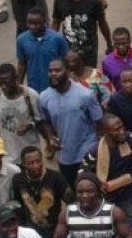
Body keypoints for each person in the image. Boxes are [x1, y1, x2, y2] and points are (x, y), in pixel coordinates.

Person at [38, 56, 103, 185]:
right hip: (65, 156)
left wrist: (99, 150)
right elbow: (45, 121)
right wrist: (50, 137)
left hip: (88, 153)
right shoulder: (44, 97)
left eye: (58, 70)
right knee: (74, 192)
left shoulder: (86, 95)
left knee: (91, 191)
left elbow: (99, 123)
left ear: (68, 72)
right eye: (50, 71)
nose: (53, 74)